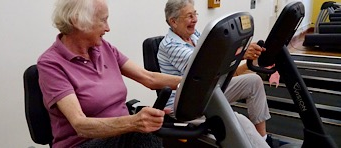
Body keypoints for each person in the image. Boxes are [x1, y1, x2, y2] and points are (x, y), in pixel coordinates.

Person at [37, 0, 182, 147]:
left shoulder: (104, 48)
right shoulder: (51, 63)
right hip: (82, 144)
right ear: (78, 21)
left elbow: (148, 77)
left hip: (122, 137)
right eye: (103, 20)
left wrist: (192, 83)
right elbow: (80, 125)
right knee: (142, 134)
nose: (108, 28)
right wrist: (134, 122)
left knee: (151, 130)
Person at [158, 0, 273, 146]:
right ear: (173, 21)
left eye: (195, 14)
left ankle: (264, 139)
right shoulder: (170, 45)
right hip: (185, 104)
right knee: (239, 121)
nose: (195, 19)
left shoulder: (193, 35)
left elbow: (215, 55)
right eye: (189, 16)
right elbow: (204, 67)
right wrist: (242, 53)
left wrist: (242, 50)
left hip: (207, 91)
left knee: (253, 81)